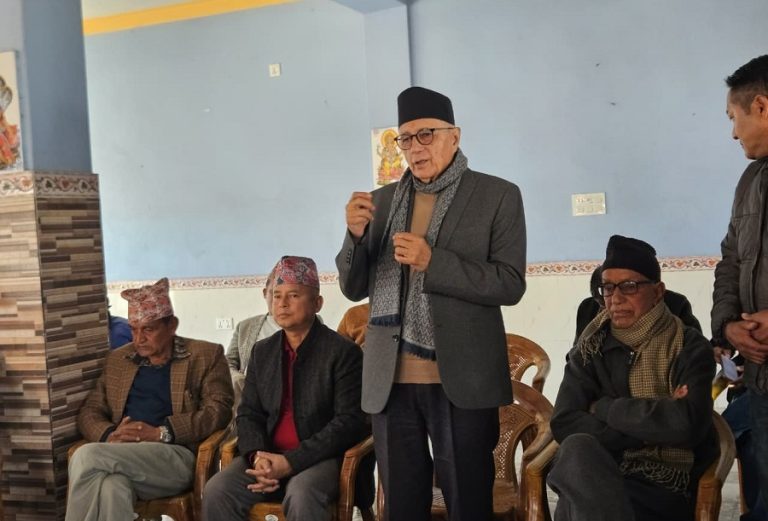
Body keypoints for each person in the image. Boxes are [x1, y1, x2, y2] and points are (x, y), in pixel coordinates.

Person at [337, 86, 526, 521]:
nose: (415, 147)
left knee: (467, 503)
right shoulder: (381, 202)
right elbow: (353, 287)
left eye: (426, 135)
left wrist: (433, 262)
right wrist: (355, 237)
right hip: (390, 380)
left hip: (462, 379)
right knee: (402, 506)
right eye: (405, 138)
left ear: (454, 137)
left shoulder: (497, 195)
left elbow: (510, 284)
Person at [549, 235, 716, 521]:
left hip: (662, 484)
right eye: (608, 288)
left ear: (658, 291)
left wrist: (604, 408)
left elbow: (686, 425)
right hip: (602, 468)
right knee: (577, 450)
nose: (616, 298)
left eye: (629, 286)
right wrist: (651, 427)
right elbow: (565, 421)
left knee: (576, 501)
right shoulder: (590, 349)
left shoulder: (688, 346)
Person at [202, 256, 369, 521]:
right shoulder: (263, 351)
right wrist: (258, 457)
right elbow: (249, 413)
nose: (282, 303)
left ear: (317, 303)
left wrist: (291, 462)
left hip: (320, 459)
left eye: (293, 295)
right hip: (267, 455)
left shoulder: (342, 352)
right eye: (277, 296)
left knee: (302, 495)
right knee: (217, 490)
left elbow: (349, 422)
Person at [65, 277, 233, 521]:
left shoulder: (205, 355)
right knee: (112, 487)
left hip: (173, 457)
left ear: (172, 325)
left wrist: (161, 433)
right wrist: (110, 435)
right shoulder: (119, 360)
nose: (138, 339)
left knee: (85, 455)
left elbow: (218, 411)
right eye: (133, 329)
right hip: (119, 455)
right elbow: (90, 410)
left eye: (148, 329)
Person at [711, 54, 768, 521]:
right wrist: (728, 326)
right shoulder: (750, 180)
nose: (733, 133)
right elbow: (730, 259)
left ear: (761, 107)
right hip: (761, 377)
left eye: (734, 117)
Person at [575, 266, 702, 342]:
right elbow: (575, 357)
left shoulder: (676, 304)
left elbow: (697, 353)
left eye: (627, 287)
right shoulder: (588, 308)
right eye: (607, 290)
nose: (614, 304)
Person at [226, 266, 281, 401]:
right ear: (265, 293)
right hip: (248, 395)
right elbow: (228, 361)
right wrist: (237, 377)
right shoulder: (245, 327)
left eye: (290, 295)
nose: (280, 301)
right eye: (275, 294)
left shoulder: (307, 324)